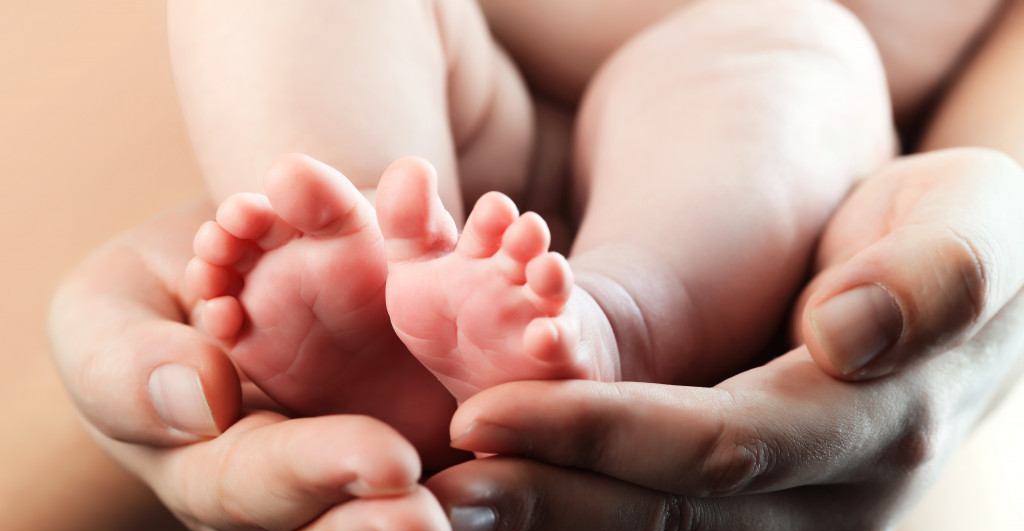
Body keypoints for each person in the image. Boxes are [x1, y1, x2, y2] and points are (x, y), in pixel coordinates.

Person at [42, 0, 1024, 531]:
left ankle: (609, 317)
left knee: (795, 68)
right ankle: (361, 243)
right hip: (461, 48)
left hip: (743, 44)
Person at [183, 0, 891, 423]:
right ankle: (370, 252)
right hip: (474, 96)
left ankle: (610, 320)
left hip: (717, 98)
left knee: (803, 43)